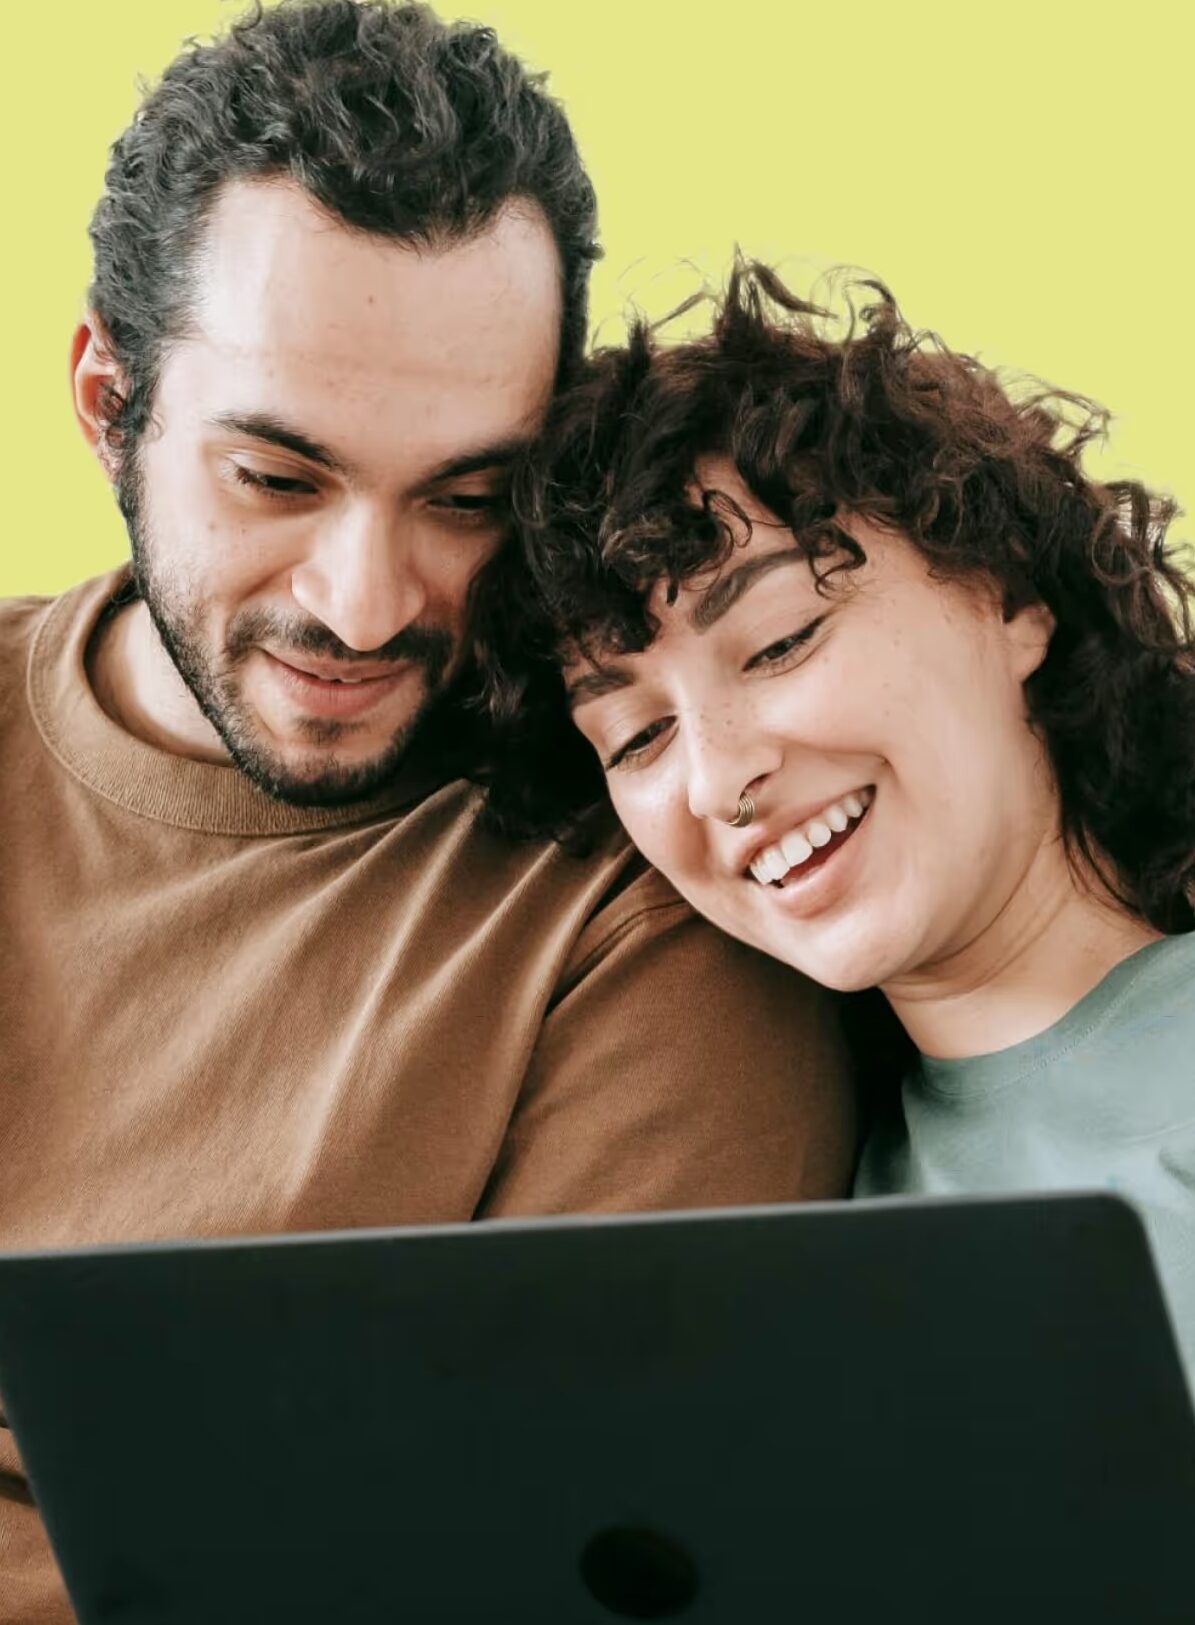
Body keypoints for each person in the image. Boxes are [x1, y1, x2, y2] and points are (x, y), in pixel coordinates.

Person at [0, 10, 858, 1618]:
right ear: (110, 401)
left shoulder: (639, 903)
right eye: (276, 479)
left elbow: (520, 1572)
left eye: (468, 499)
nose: (365, 602)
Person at [476, 261, 1195, 1480]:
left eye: (779, 640)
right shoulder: (796, 1206)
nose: (719, 779)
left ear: (1006, 592)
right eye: (638, 736)